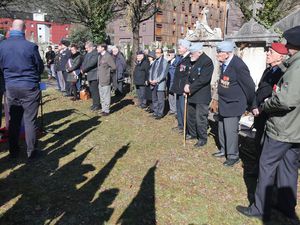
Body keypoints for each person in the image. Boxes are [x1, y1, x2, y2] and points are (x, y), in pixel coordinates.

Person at [237, 26, 300, 221]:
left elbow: (286, 100)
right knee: (289, 167)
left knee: (266, 165)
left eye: (288, 44)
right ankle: (286, 206)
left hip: (283, 128)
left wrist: (267, 104)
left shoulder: (296, 68)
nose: (286, 47)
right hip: (295, 130)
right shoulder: (293, 66)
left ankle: (259, 208)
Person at [243, 43, 288, 205]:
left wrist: (261, 108)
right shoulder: (268, 70)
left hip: (268, 114)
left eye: (271, 52)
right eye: (268, 51)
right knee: (258, 141)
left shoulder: (283, 73)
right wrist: (254, 105)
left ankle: (268, 177)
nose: (267, 54)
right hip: (259, 113)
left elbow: (276, 97)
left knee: (265, 145)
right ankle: (257, 168)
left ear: (281, 56)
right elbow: (259, 90)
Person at [0, 19, 44, 159]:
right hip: (28, 86)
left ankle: (14, 150)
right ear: (24, 29)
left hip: (11, 86)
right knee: (30, 120)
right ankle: (31, 152)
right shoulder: (30, 46)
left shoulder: (2, 46)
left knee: (14, 119)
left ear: (11, 28)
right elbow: (40, 67)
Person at [212, 41, 255, 167]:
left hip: (234, 104)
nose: (217, 55)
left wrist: (250, 104)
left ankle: (233, 156)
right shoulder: (224, 63)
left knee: (230, 131)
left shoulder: (238, 65)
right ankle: (224, 150)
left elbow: (249, 86)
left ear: (227, 53)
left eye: (219, 52)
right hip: (224, 103)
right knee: (221, 128)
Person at [184, 42, 214, 148]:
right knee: (190, 116)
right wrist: (186, 85)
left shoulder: (207, 62)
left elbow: (203, 79)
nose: (190, 55)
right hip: (192, 94)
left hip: (201, 95)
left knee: (200, 118)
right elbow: (189, 74)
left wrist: (190, 88)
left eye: (192, 53)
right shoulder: (193, 60)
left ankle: (202, 138)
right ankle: (192, 134)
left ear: (199, 52)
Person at [170, 39, 191, 132]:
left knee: (183, 109)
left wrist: (186, 88)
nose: (178, 48)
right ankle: (180, 125)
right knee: (178, 108)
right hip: (178, 88)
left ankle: (185, 128)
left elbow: (188, 75)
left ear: (186, 48)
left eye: (180, 47)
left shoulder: (189, 59)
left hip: (183, 89)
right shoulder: (181, 58)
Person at [149, 48, 169, 119]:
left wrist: (156, 80)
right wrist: (150, 80)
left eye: (158, 52)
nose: (156, 54)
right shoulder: (154, 62)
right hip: (153, 83)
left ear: (162, 53)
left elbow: (163, 74)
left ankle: (160, 113)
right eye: (156, 52)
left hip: (160, 84)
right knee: (154, 99)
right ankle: (155, 112)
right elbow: (150, 71)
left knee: (160, 100)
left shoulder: (164, 62)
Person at [97, 43, 116, 116]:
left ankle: (107, 110)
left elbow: (114, 67)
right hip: (100, 79)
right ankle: (103, 109)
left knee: (106, 95)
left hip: (105, 79)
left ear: (103, 48)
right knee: (101, 95)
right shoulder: (99, 56)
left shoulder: (108, 56)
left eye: (98, 47)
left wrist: (107, 72)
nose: (97, 49)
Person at [81, 41, 100, 111]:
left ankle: (97, 105)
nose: (86, 49)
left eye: (87, 48)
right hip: (89, 74)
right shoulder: (87, 54)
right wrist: (82, 69)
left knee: (95, 90)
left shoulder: (95, 53)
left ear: (91, 47)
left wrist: (84, 69)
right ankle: (94, 104)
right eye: (85, 48)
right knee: (92, 90)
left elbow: (92, 63)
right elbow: (84, 62)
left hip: (94, 74)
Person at [166, 49, 180, 115]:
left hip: (175, 81)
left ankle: (177, 111)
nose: (169, 55)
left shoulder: (177, 60)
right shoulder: (168, 62)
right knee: (170, 96)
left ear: (173, 54)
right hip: (169, 81)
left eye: (170, 54)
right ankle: (172, 109)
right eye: (168, 54)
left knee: (175, 96)